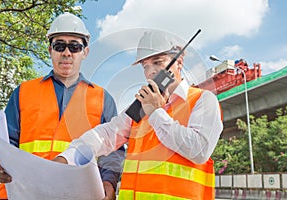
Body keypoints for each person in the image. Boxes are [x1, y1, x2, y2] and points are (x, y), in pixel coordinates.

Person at [54, 30, 223, 199]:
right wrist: (68, 158)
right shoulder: (139, 107)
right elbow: (105, 135)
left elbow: (199, 150)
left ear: (179, 62)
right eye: (145, 66)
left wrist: (156, 113)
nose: (150, 72)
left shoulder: (203, 100)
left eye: (157, 62)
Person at [0, 12, 124, 200]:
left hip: (76, 194)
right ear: (50, 50)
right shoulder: (23, 92)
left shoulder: (103, 99)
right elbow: (3, 141)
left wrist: (109, 183)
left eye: (75, 46)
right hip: (23, 193)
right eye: (59, 45)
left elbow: (113, 151)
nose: (67, 53)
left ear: (85, 52)